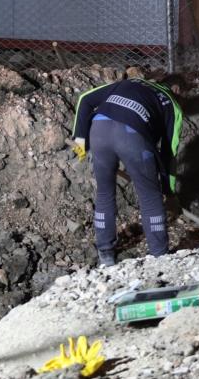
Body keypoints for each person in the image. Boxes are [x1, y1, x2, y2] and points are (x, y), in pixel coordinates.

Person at [71, 78, 182, 266]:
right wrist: (167, 190)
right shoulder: (172, 104)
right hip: (132, 136)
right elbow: (169, 152)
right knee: (150, 196)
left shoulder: (130, 82)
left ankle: (105, 255)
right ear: (176, 90)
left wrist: (79, 137)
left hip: (99, 131)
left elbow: (85, 98)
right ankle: (160, 257)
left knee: (104, 192)